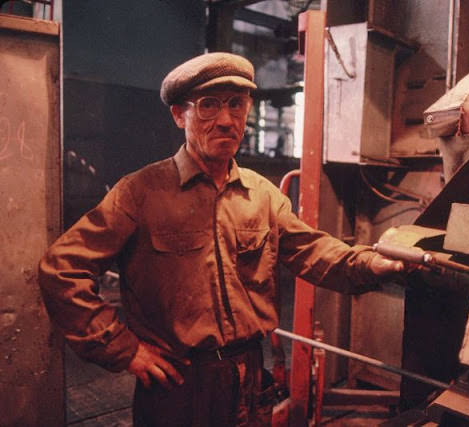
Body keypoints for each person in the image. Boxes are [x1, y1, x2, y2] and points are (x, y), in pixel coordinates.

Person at [38, 52, 404, 426]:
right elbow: (62, 270)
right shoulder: (140, 193)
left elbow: (315, 251)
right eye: (209, 106)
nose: (226, 120)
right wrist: (123, 349)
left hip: (247, 380)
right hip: (176, 387)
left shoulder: (263, 196)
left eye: (236, 105)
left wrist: (372, 262)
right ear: (180, 115)